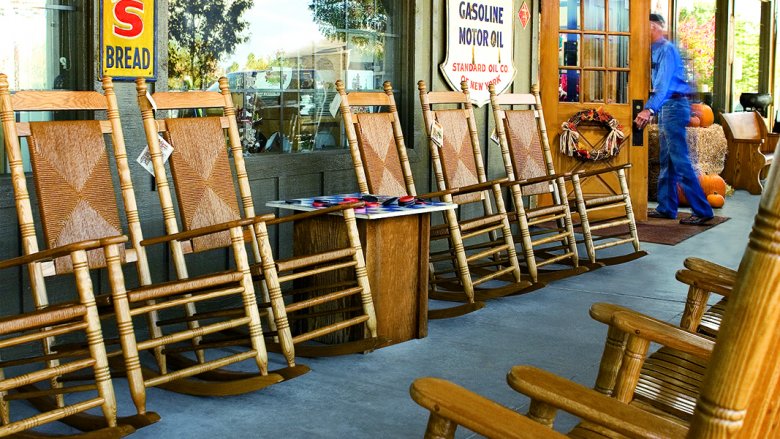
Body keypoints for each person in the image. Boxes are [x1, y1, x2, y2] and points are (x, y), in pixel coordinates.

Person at [634, 13, 713, 225]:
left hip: (674, 107)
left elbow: (664, 86)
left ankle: (703, 209)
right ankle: (667, 207)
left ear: (655, 27)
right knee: (667, 160)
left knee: (680, 161)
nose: (647, 32)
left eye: (649, 27)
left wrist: (648, 110)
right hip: (669, 107)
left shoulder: (666, 49)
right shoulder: (654, 50)